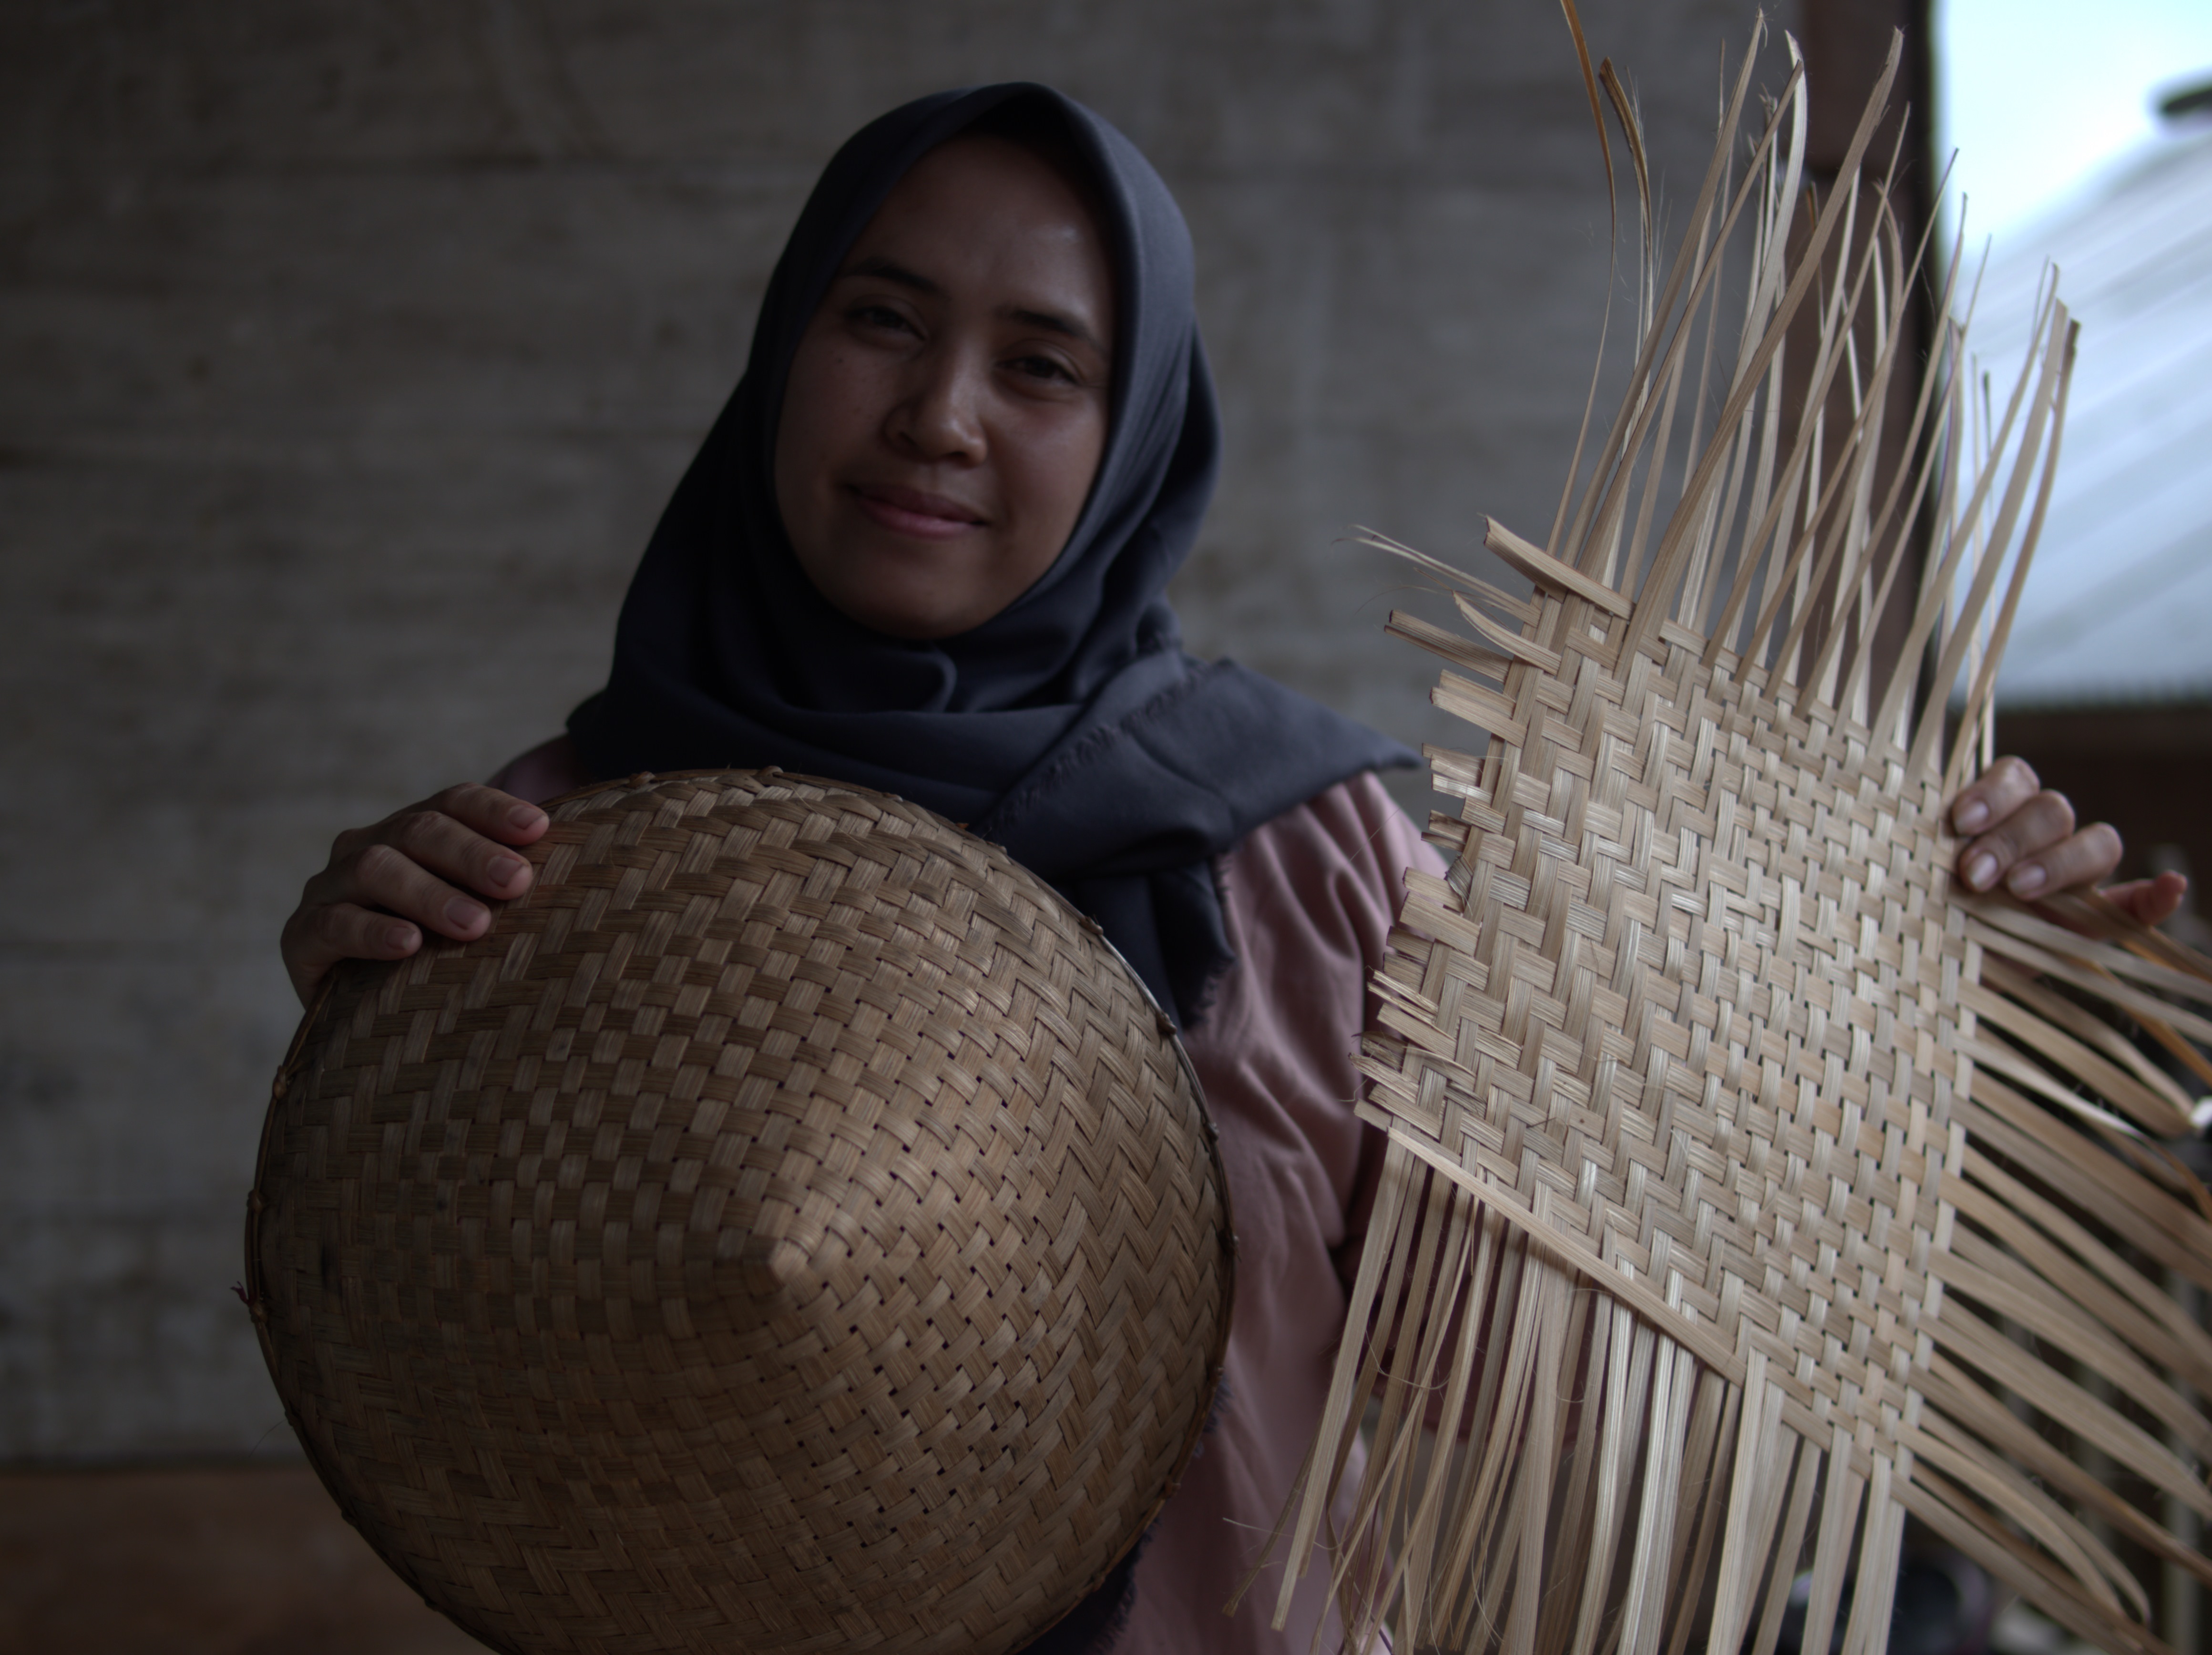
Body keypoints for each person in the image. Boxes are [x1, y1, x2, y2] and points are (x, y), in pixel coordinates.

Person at [276, 84, 2185, 1655]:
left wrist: (1916, 992)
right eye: (879, 318)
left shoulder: (1299, 851)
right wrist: (378, 1055)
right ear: (783, 347)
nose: (938, 412)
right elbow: (462, 1375)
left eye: (1040, 363)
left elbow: (1535, 1379)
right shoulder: (551, 855)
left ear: (1133, 438)